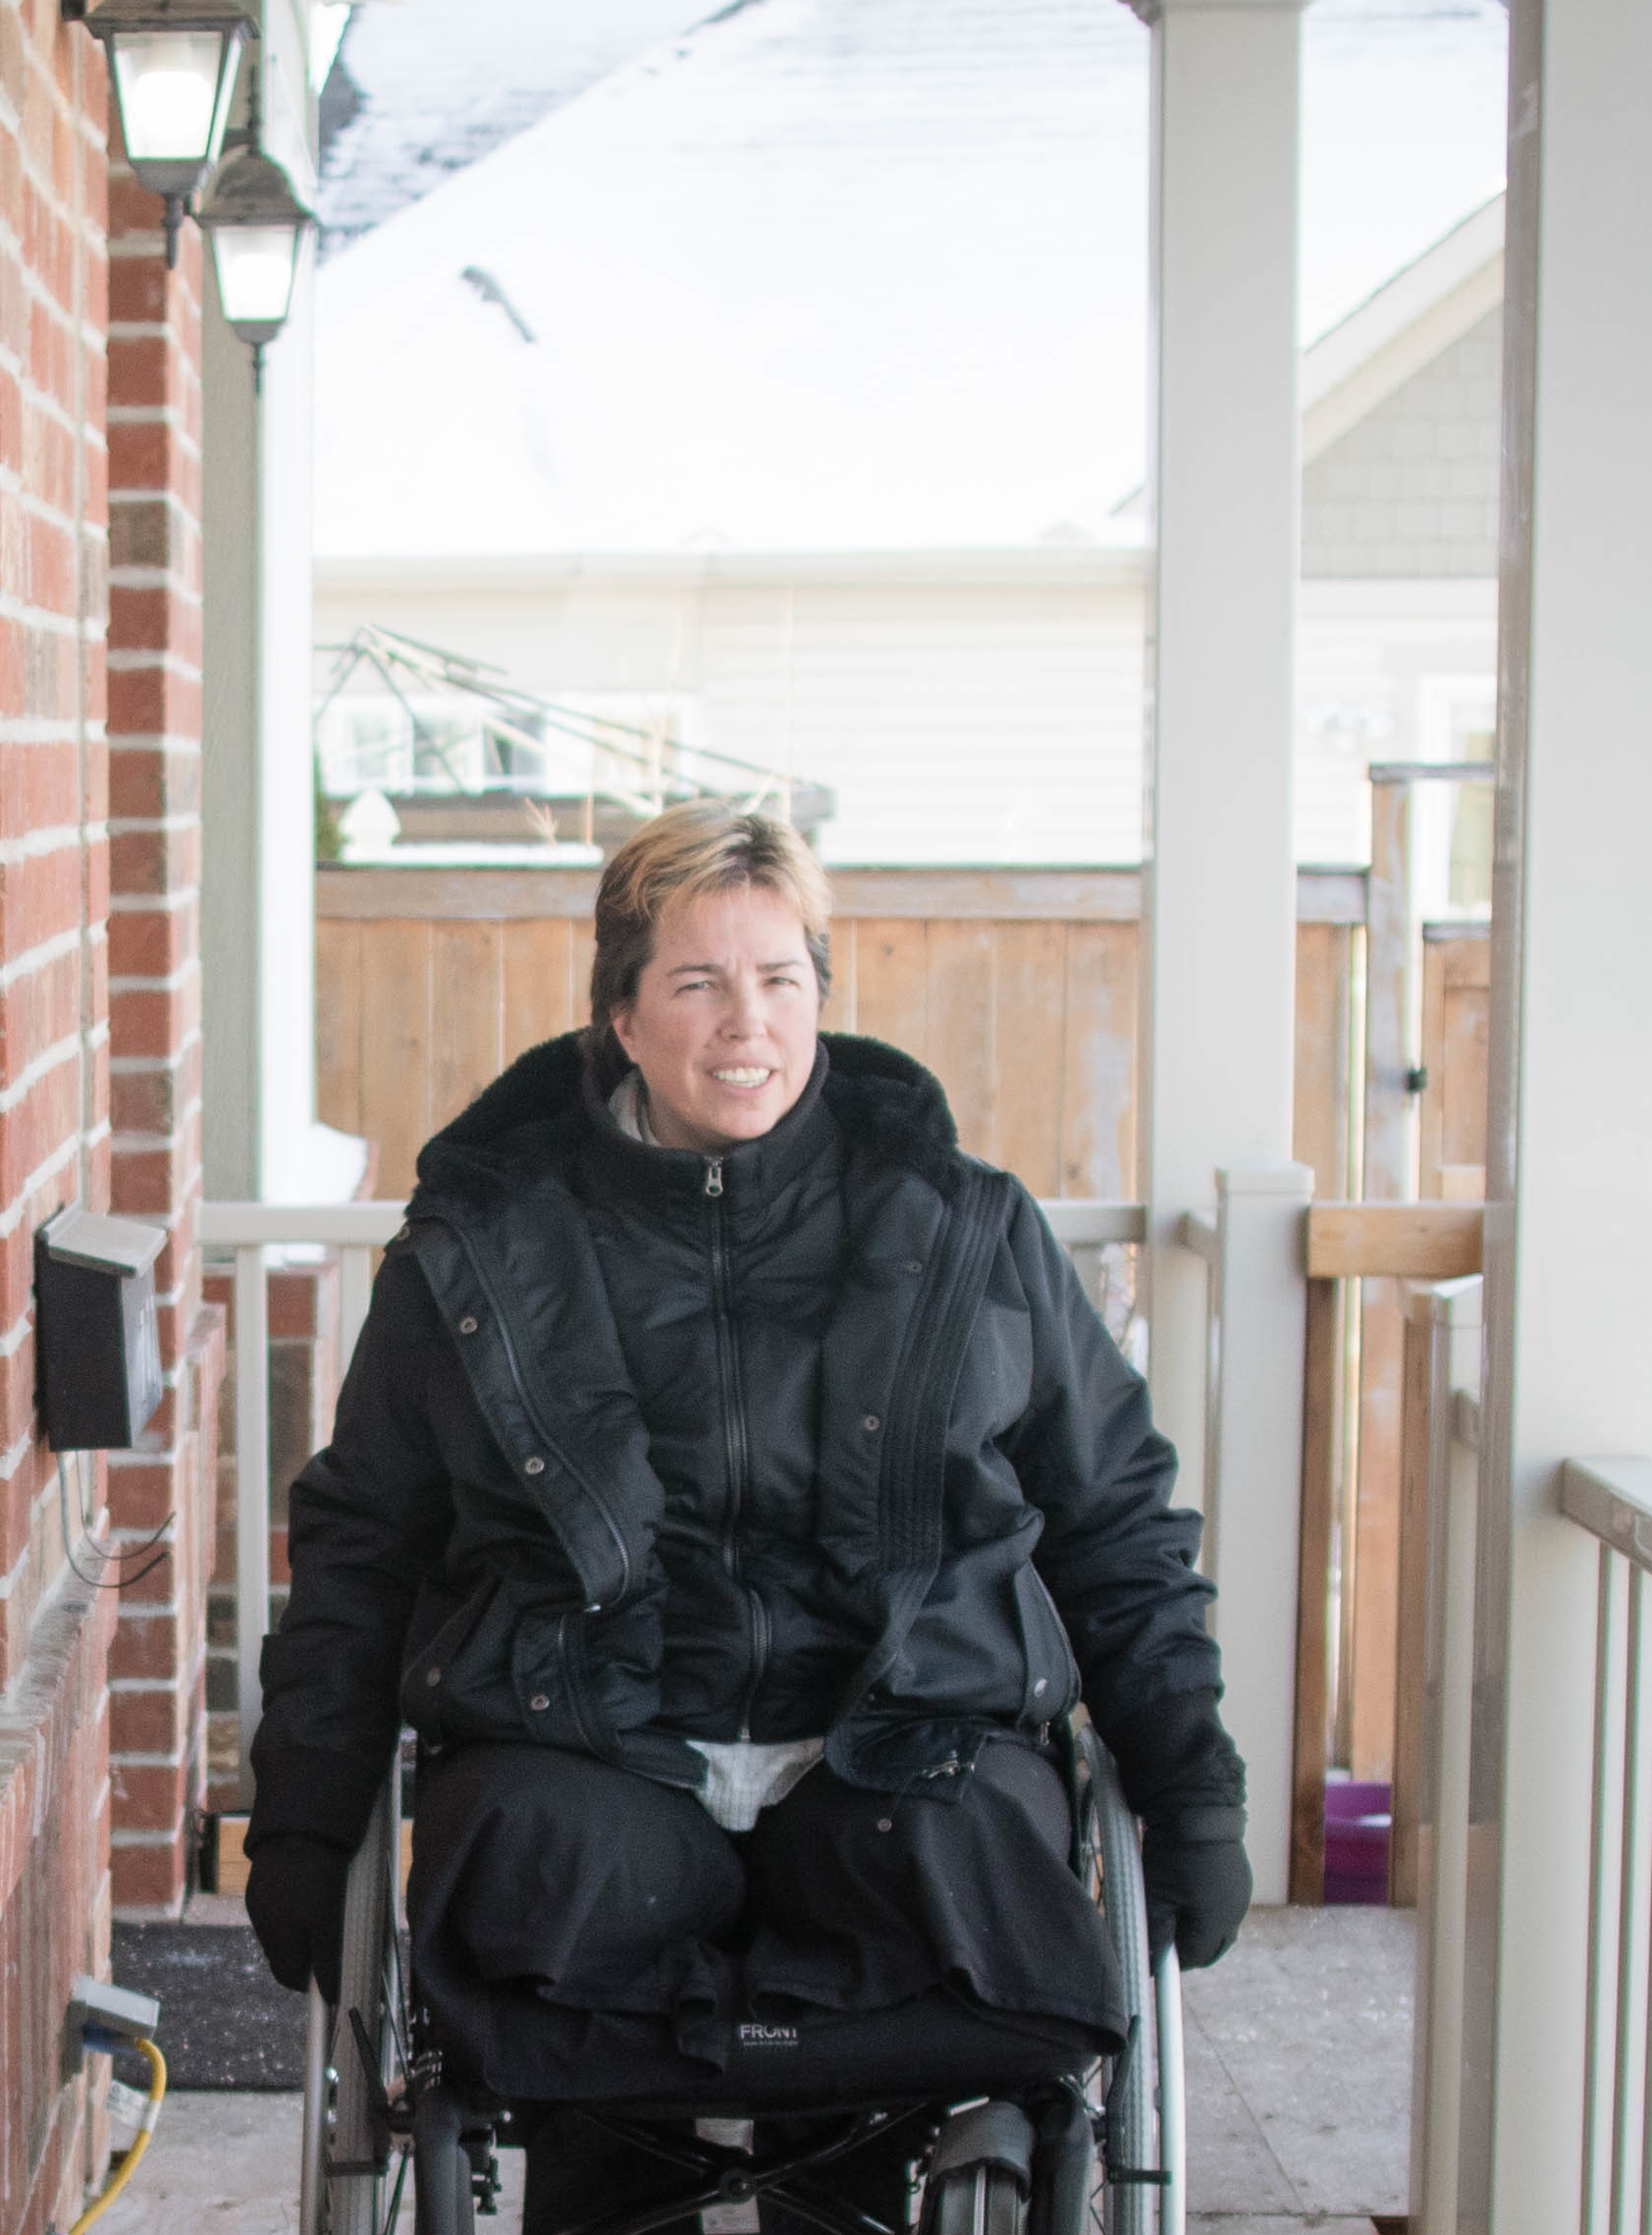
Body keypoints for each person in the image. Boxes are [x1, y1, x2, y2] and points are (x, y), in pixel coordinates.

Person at [241, 801, 1244, 2104]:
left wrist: (1191, 1791)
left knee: (981, 1866)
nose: (744, 1024)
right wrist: (308, 1825)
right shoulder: (484, 1250)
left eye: (778, 980)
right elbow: (362, 1543)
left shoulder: (963, 1230)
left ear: (819, 995)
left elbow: (1114, 1515)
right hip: (593, 1745)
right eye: (698, 984)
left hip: (898, 1744)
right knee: (521, 1864)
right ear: (621, 1014)